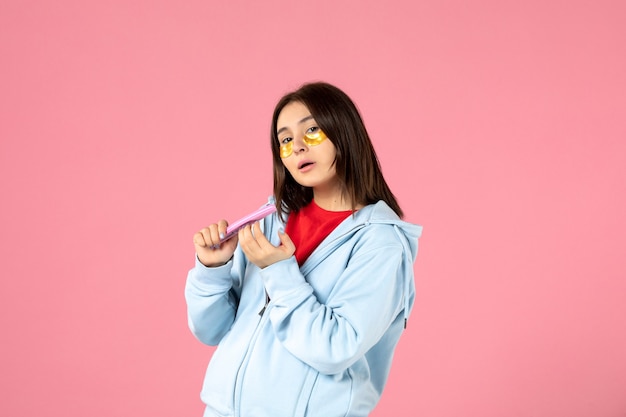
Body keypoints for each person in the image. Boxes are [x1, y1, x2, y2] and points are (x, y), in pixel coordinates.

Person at [185, 81, 423, 417]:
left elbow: (336, 348)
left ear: (344, 133)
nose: (296, 147)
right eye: (284, 139)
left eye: (311, 130)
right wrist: (212, 272)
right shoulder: (271, 221)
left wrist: (278, 271)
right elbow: (212, 330)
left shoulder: (380, 243)